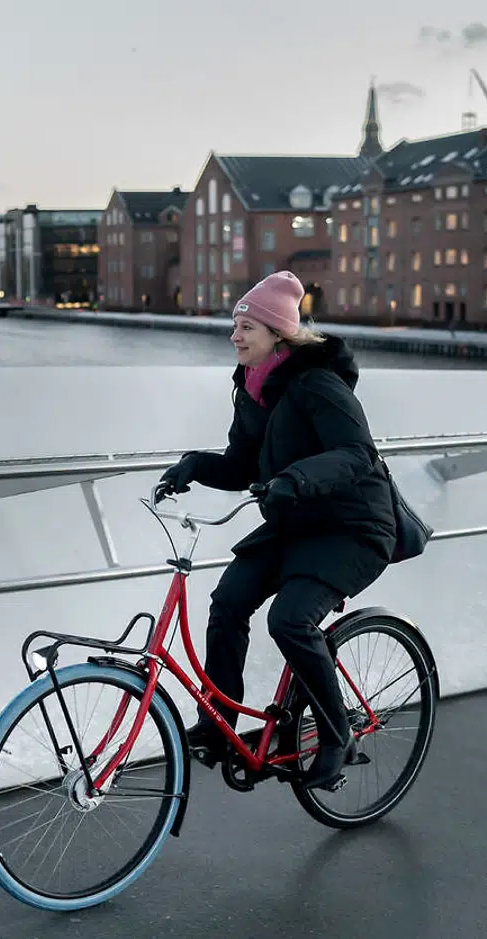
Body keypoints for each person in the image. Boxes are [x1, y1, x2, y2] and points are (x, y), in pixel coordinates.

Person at [155, 271, 397, 791]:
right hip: (293, 522)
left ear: (278, 335)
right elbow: (243, 465)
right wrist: (195, 466)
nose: (236, 336)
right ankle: (219, 727)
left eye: (247, 327)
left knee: (289, 620)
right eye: (235, 326)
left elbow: (358, 454)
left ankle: (337, 735)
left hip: (351, 527)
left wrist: (295, 478)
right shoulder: (251, 387)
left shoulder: (318, 384)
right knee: (227, 603)